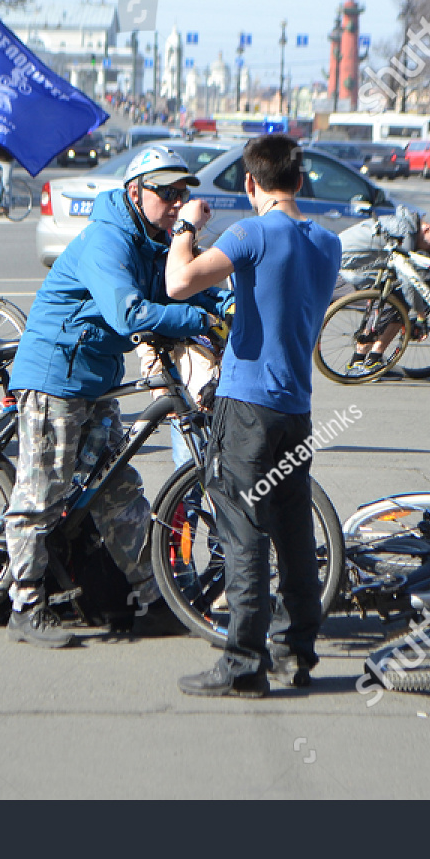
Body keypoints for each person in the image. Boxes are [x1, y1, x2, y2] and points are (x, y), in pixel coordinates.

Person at [2, 145, 228, 648]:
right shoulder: (109, 239)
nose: (176, 203)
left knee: (118, 490)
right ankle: (24, 604)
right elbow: (129, 313)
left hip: (96, 377)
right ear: (134, 192)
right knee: (42, 492)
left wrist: (226, 307)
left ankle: (154, 602)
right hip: (55, 374)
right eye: (165, 193)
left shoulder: (153, 238)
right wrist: (198, 323)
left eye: (182, 193)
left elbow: (184, 290)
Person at [164, 134, 342, 697]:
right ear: (299, 180)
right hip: (296, 406)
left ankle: (243, 663)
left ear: (250, 183)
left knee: (243, 534)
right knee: (293, 533)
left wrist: (185, 228)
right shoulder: (327, 243)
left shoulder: (252, 233)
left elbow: (178, 283)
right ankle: (297, 653)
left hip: (247, 406)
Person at [333, 207, 430, 371]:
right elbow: (408, 279)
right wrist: (421, 316)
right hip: (345, 270)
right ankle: (363, 361)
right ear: (427, 228)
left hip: (345, 263)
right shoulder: (405, 232)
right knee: (396, 302)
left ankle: (370, 358)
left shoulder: (403, 226)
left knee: (394, 295)